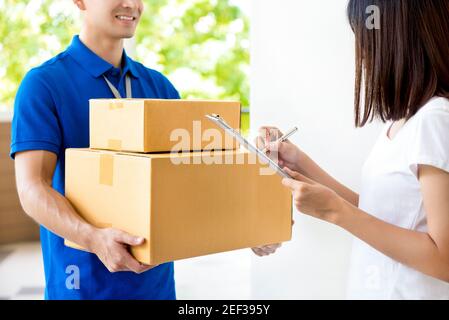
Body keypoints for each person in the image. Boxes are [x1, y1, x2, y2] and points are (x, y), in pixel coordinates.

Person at [11, 0, 275, 300]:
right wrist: (94, 239)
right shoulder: (44, 84)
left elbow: (192, 183)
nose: (132, 4)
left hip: (157, 289)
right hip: (82, 287)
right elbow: (32, 188)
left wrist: (251, 225)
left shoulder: (159, 88)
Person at [258, 0, 449, 299]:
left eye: (365, 37)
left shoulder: (435, 120)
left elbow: (444, 259)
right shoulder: (406, 121)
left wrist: (336, 211)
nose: (361, 51)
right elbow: (382, 213)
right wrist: (299, 162)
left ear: (397, 40)